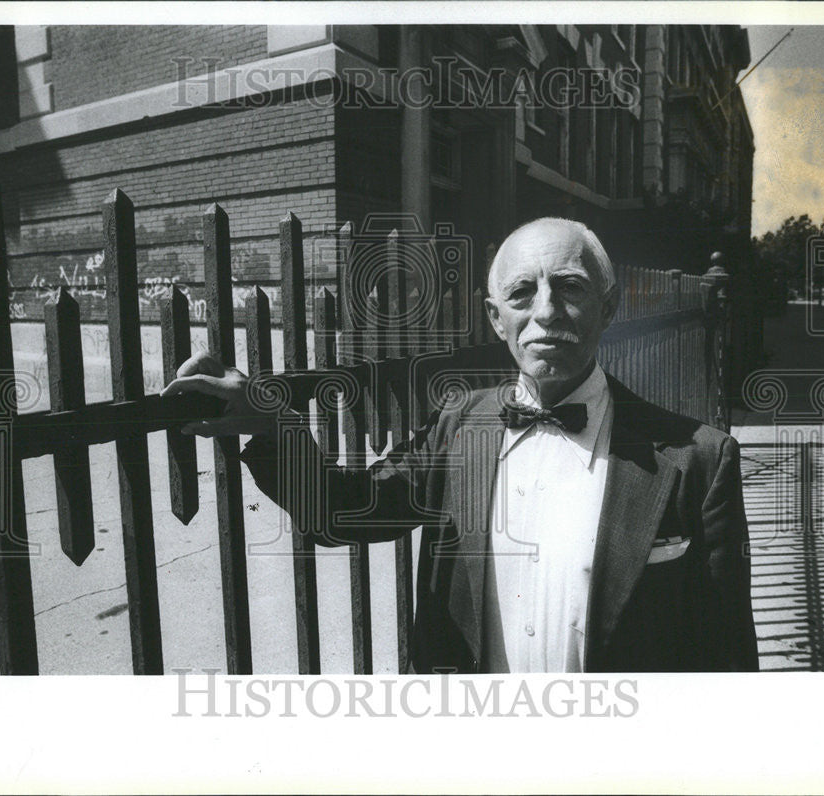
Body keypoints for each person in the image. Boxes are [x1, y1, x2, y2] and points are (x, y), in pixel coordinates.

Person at [162, 217, 759, 673]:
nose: (547, 311)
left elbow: (725, 659)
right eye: (522, 293)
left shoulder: (699, 460)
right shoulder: (458, 426)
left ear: (608, 307)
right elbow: (340, 511)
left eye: (570, 287)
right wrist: (271, 423)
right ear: (496, 320)